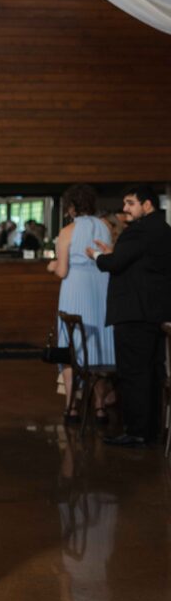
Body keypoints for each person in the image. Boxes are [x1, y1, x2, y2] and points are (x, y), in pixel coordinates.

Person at [87, 184, 171, 447]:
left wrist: (98, 256)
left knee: (133, 374)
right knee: (152, 373)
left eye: (130, 203)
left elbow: (115, 264)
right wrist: (114, 253)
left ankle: (137, 432)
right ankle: (151, 430)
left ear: (148, 205)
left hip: (133, 312)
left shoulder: (138, 231)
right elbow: (141, 264)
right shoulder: (164, 230)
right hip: (156, 313)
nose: (124, 209)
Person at [47, 184, 115, 421]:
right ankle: (99, 406)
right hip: (102, 290)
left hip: (75, 291)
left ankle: (71, 407)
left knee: (71, 346)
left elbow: (62, 271)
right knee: (100, 347)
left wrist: (52, 265)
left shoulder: (68, 231)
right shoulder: (106, 227)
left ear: (72, 207)